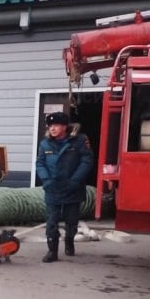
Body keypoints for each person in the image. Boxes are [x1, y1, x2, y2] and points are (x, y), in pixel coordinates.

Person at [35, 111, 93, 263]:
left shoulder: (79, 141)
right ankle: (52, 251)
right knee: (51, 221)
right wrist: (46, 180)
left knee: (71, 220)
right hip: (52, 188)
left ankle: (69, 242)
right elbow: (40, 163)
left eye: (56, 125)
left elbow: (86, 161)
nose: (52, 129)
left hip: (73, 188)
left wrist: (75, 181)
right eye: (50, 126)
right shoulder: (45, 144)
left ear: (65, 127)